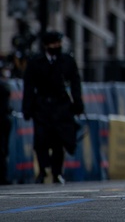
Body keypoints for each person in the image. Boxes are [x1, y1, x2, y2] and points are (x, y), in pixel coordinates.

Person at [21, 30, 84, 184]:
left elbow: (75, 84)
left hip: (61, 106)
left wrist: (78, 104)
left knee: (58, 141)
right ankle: (43, 170)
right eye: (54, 43)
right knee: (41, 141)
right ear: (46, 45)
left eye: (59, 43)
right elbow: (29, 86)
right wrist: (27, 108)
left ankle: (57, 172)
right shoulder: (35, 62)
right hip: (42, 106)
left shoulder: (67, 61)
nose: (57, 46)